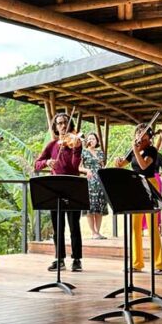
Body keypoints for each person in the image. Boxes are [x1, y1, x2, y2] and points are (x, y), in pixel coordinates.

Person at [34, 113, 84, 272]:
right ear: (55, 127)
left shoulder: (75, 143)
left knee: (74, 225)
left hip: (73, 186)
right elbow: (36, 164)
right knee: (58, 226)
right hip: (55, 187)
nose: (62, 126)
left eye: (65, 123)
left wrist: (76, 150)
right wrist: (47, 162)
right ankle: (59, 258)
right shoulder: (52, 145)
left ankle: (77, 259)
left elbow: (75, 166)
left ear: (70, 125)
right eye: (59, 123)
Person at [114, 124, 162, 274]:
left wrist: (135, 150)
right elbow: (123, 164)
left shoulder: (151, 150)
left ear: (149, 137)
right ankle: (137, 263)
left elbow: (143, 166)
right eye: (138, 134)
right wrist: (119, 161)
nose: (140, 137)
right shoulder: (134, 149)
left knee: (152, 226)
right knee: (134, 226)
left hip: (149, 184)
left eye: (143, 135)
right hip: (135, 185)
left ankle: (158, 264)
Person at [78, 132, 108, 239]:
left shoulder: (100, 153)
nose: (92, 140)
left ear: (97, 141)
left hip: (100, 183)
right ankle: (93, 232)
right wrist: (87, 170)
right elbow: (78, 167)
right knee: (91, 208)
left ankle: (98, 232)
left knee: (99, 207)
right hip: (90, 183)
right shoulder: (84, 153)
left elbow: (102, 167)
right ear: (87, 141)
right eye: (90, 139)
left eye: (94, 139)